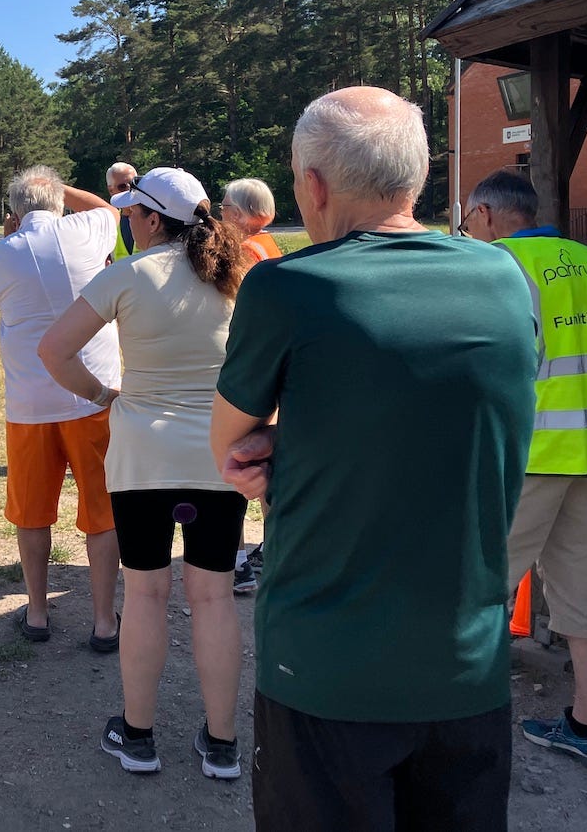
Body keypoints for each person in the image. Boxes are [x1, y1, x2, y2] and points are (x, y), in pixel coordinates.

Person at [210, 87, 536, 830]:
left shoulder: (288, 287)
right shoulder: (504, 280)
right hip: (467, 667)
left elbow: (229, 445)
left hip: (326, 668)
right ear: (416, 180)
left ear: (313, 186)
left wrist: (277, 441)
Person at [40, 166, 248, 780]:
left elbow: (54, 349)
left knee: (147, 594)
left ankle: (138, 736)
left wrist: (101, 394)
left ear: (153, 219)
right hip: (216, 457)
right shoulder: (237, 278)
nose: (126, 222)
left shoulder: (127, 276)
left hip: (142, 461)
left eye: (131, 214)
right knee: (212, 598)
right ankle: (222, 744)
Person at [464, 168, 587, 767]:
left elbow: (482, 370)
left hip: (530, 456)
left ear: (488, 215)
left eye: (468, 221)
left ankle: (458, 723)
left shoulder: (499, 270)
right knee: (585, 601)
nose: (468, 232)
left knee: (478, 590)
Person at [0, 166, 121, 653]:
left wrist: (11, 234)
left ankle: (37, 612)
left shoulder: (5, 251)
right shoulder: (86, 226)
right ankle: (103, 621)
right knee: (102, 512)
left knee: (33, 512)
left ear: (14, 213)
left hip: (32, 402)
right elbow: (104, 206)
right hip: (93, 394)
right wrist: (61, 190)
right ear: (59, 203)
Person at [218, 177, 282, 595]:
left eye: (224, 208)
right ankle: (273, 550)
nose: (220, 215)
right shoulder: (272, 247)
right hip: (275, 369)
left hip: (249, 369)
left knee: (236, 462)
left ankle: (238, 565)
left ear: (239, 216)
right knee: (267, 466)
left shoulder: (242, 252)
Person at [105, 162, 138, 262]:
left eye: (134, 184)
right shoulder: (109, 224)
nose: (129, 189)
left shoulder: (152, 218)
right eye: (123, 186)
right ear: (111, 190)